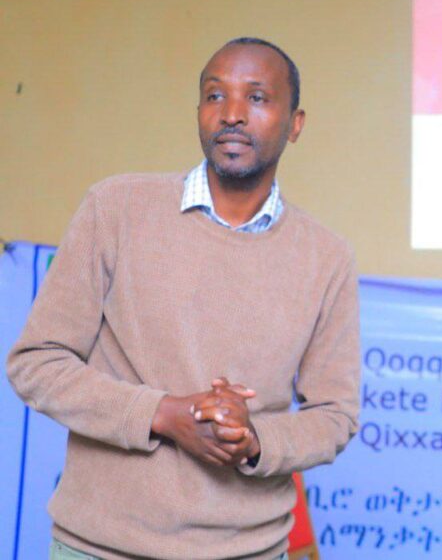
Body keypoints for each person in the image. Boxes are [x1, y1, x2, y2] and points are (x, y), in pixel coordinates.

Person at [7, 38, 360, 559]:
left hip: (249, 550)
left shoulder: (327, 257)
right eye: (215, 95)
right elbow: (36, 363)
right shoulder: (115, 208)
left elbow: (334, 416)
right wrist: (164, 414)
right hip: (98, 548)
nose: (232, 114)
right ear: (198, 112)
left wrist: (254, 440)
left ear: (296, 123)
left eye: (257, 98)